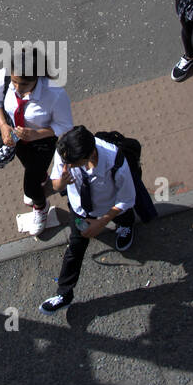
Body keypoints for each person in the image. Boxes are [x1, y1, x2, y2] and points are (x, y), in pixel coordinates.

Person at [38, 125, 136, 314]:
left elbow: (126, 199)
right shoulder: (66, 152)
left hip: (110, 204)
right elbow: (56, 184)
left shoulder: (116, 163)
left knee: (124, 215)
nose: (69, 166)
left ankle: (125, 226)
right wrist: (62, 183)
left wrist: (102, 222)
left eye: (74, 164)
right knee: (75, 248)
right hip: (80, 208)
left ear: (91, 155)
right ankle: (64, 294)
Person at [0, 46, 73, 237]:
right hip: (16, 138)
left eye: (24, 85)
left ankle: (41, 207)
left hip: (42, 143)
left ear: (38, 78)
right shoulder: (5, 77)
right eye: (15, 82)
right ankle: (42, 180)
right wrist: (3, 126)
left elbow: (65, 126)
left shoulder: (55, 94)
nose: (17, 89)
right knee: (31, 168)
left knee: (30, 187)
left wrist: (36, 134)